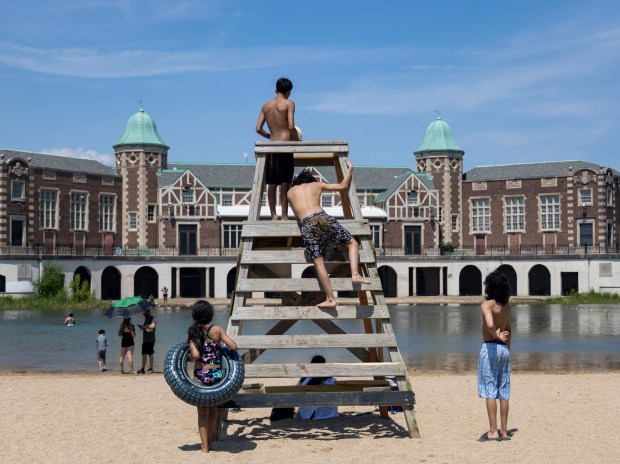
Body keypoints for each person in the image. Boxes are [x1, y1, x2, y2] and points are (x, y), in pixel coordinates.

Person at [287, 159, 370, 308]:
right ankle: (355, 275)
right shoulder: (317, 184)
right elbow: (343, 186)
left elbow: (297, 217)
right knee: (352, 243)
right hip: (322, 217)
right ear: (310, 180)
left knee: (319, 264)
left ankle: (331, 299)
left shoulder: (290, 192)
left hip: (307, 223)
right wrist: (350, 169)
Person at [187, 300, 238, 453]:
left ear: (195, 314)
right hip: (216, 375)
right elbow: (234, 346)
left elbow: (195, 355)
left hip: (200, 375)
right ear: (210, 314)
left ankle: (204, 447)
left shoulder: (193, 332)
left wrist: (190, 355)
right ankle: (210, 442)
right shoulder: (217, 330)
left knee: (202, 412)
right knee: (213, 409)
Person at [256, 77, 300, 221]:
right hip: (286, 146)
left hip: (272, 146)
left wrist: (270, 136)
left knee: (272, 183)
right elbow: (291, 126)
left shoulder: (266, 106)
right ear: (289, 92)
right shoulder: (289, 104)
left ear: (275, 90)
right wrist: (296, 139)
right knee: (285, 182)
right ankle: (285, 216)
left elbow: (258, 129)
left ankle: (273, 215)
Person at [478, 270, 512, 442]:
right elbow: (509, 330)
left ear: (490, 286)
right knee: (503, 391)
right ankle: (504, 432)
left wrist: (495, 335)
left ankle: (492, 431)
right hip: (504, 349)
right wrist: (506, 347)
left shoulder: (487, 304)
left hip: (490, 346)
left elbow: (491, 325)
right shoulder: (506, 306)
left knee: (490, 390)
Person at [297, 355, 339, 420]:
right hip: (331, 413)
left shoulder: (307, 379)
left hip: (310, 414)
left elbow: (298, 392)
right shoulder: (332, 380)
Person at [137, 308, 156, 374]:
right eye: (143, 314)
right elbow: (145, 326)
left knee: (150, 354)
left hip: (151, 339)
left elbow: (153, 326)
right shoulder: (146, 318)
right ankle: (142, 369)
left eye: (145, 313)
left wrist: (144, 327)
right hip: (145, 340)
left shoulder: (152, 318)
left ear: (148, 312)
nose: (144, 315)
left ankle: (151, 369)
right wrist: (142, 327)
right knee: (143, 354)